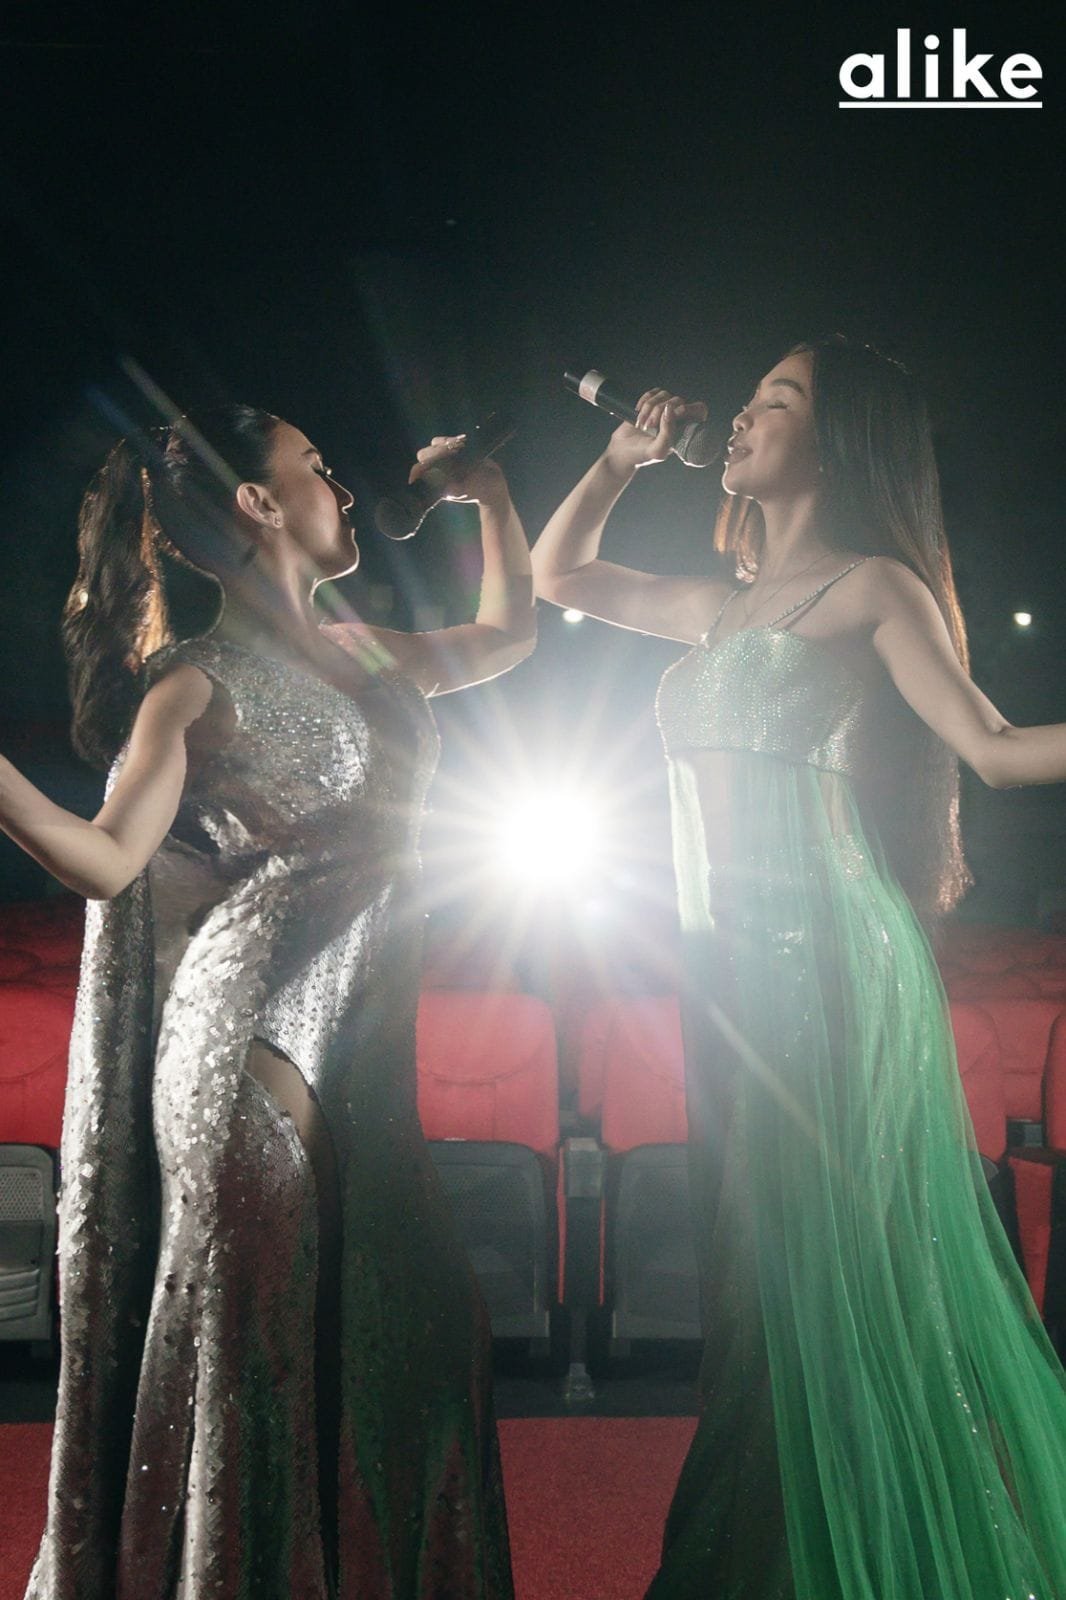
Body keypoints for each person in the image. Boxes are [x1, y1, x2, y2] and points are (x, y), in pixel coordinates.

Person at [531, 336, 1066, 1599]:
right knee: (755, 1294)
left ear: (837, 441)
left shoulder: (873, 586)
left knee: (805, 1294)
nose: (742, 414)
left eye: (778, 399)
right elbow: (559, 575)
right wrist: (619, 459)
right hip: (723, 980)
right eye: (752, 395)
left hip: (828, 961)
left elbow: (993, 748)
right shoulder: (718, 607)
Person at [1, 403, 534, 1598]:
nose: (340, 487)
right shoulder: (193, 684)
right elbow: (105, 859)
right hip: (249, 1061)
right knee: (267, 1375)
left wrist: (490, 496)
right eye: (316, 465)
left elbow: (509, 634)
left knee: (426, 1336)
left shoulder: (372, 653)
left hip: (359, 1064)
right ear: (256, 501)